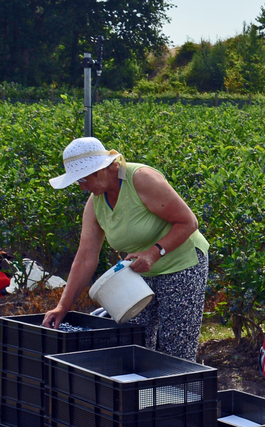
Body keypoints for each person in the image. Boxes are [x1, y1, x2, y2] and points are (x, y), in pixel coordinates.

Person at [42, 136, 210, 362]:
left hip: (181, 265)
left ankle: (176, 396)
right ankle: (143, 396)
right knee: (136, 345)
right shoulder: (95, 203)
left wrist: (153, 253)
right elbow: (85, 257)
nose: (82, 188)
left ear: (100, 170)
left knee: (175, 350)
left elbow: (189, 222)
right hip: (140, 274)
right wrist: (63, 306)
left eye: (82, 180)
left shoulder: (141, 179)